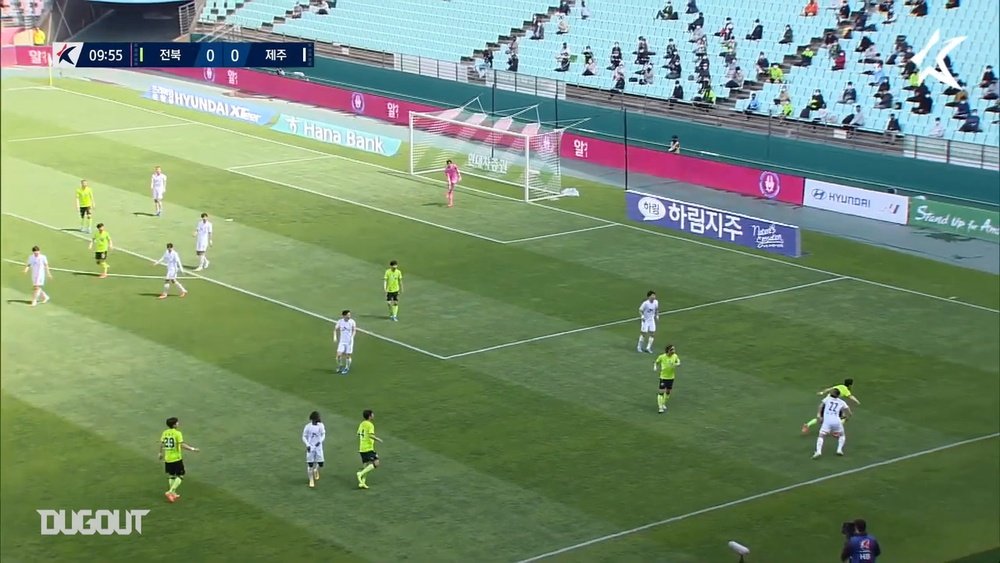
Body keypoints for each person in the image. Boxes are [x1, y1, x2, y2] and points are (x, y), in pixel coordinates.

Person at [159, 417, 199, 502]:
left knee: (172, 476)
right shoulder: (177, 433)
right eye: (177, 423)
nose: (178, 424)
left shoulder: (165, 432)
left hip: (168, 458)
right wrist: (193, 449)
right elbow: (181, 445)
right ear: (174, 425)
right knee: (181, 475)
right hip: (176, 458)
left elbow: (162, 443)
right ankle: (170, 492)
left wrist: (160, 453)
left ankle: (173, 493)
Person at [813, 388, 851, 458]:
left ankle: (818, 451)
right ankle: (839, 450)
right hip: (837, 421)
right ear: (839, 395)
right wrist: (849, 415)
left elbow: (821, 406)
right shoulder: (841, 402)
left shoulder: (827, 399)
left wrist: (818, 415)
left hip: (827, 421)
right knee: (842, 435)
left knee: (821, 436)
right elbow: (847, 409)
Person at [356, 409, 383, 489]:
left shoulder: (361, 424)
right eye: (372, 414)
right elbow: (371, 435)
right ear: (370, 416)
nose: (373, 415)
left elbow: (358, 434)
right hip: (368, 448)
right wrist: (378, 439)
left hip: (361, 448)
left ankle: (362, 482)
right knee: (376, 462)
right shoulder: (370, 425)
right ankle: (360, 474)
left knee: (366, 465)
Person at [654, 344, 680, 413]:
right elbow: (656, 362)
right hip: (663, 377)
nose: (674, 351)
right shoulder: (662, 357)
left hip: (671, 377)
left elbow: (678, 362)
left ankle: (663, 403)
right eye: (672, 349)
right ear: (668, 350)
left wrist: (676, 364)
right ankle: (660, 408)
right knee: (661, 392)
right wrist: (655, 367)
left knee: (668, 392)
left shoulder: (675, 356)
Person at [303, 411, 326, 488]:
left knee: (321, 463)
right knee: (310, 464)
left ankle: (316, 470)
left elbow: (323, 434)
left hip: (318, 447)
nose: (318, 420)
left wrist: (320, 441)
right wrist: (307, 445)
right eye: (317, 419)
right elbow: (303, 436)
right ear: (313, 419)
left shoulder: (321, 426)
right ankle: (311, 480)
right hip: (311, 448)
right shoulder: (308, 427)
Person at [334, 309, 357, 374]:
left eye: (349, 315)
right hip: (342, 341)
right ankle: (340, 365)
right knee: (338, 355)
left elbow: (354, 330)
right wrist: (335, 337)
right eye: (348, 315)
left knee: (348, 355)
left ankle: (347, 367)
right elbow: (335, 329)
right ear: (344, 316)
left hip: (349, 342)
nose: (349, 316)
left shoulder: (352, 322)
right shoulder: (340, 322)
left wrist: (352, 337)